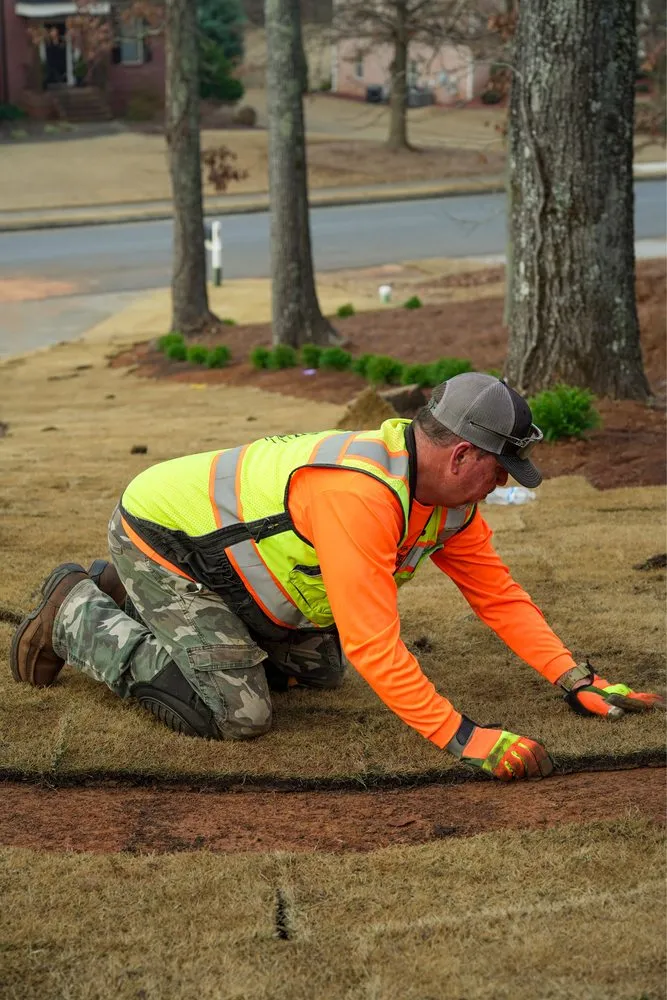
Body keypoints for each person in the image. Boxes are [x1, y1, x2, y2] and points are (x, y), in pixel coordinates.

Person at [11, 373, 663, 782]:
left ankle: (137, 598)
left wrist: (574, 677)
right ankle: (77, 613)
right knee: (239, 713)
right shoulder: (361, 495)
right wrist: (463, 737)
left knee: (320, 671)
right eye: (500, 471)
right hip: (165, 539)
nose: (500, 486)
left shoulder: (449, 504)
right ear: (463, 455)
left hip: (224, 562)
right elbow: (374, 644)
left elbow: (498, 597)